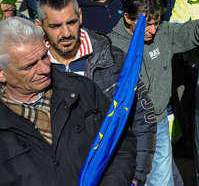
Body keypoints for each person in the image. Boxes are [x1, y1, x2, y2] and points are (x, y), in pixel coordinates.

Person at [108, 0, 199, 186]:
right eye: (146, 25)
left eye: (155, 23)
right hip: (127, 128)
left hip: (157, 123)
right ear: (127, 18)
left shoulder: (163, 33)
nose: (152, 30)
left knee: (161, 180)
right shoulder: (111, 46)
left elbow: (191, 32)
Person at [35, 0, 156, 186]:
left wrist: (137, 176)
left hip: (117, 173)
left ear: (80, 16)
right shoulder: (36, 71)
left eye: (71, 22)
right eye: (56, 26)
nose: (66, 33)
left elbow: (142, 119)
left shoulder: (113, 59)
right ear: (39, 25)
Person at [0, 17, 136, 184]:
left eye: (44, 57)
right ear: (2, 73)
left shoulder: (81, 89)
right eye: (30, 66)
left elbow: (120, 142)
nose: (44, 69)